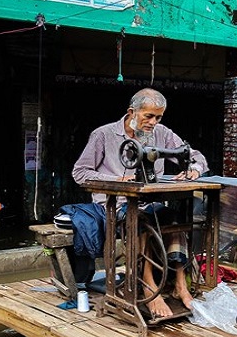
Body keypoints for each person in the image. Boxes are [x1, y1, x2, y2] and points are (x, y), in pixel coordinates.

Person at [72, 89, 208, 320]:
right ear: (131, 112)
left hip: (149, 202)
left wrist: (193, 169)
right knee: (142, 222)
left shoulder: (161, 133)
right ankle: (148, 287)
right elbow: (80, 172)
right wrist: (117, 180)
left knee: (175, 220)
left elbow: (194, 156)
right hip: (114, 206)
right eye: (149, 116)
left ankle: (180, 285)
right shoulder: (104, 135)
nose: (153, 122)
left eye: (159, 117)